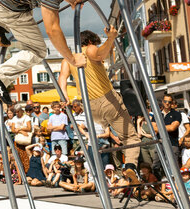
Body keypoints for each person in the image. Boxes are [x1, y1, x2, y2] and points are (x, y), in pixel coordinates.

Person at [59, 28, 141, 178]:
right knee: (130, 138)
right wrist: (111, 38)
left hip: (89, 107)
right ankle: (130, 166)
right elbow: (100, 53)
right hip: (107, 100)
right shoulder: (90, 49)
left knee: (106, 127)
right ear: (90, 41)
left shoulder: (68, 59)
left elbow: (62, 78)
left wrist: (64, 96)